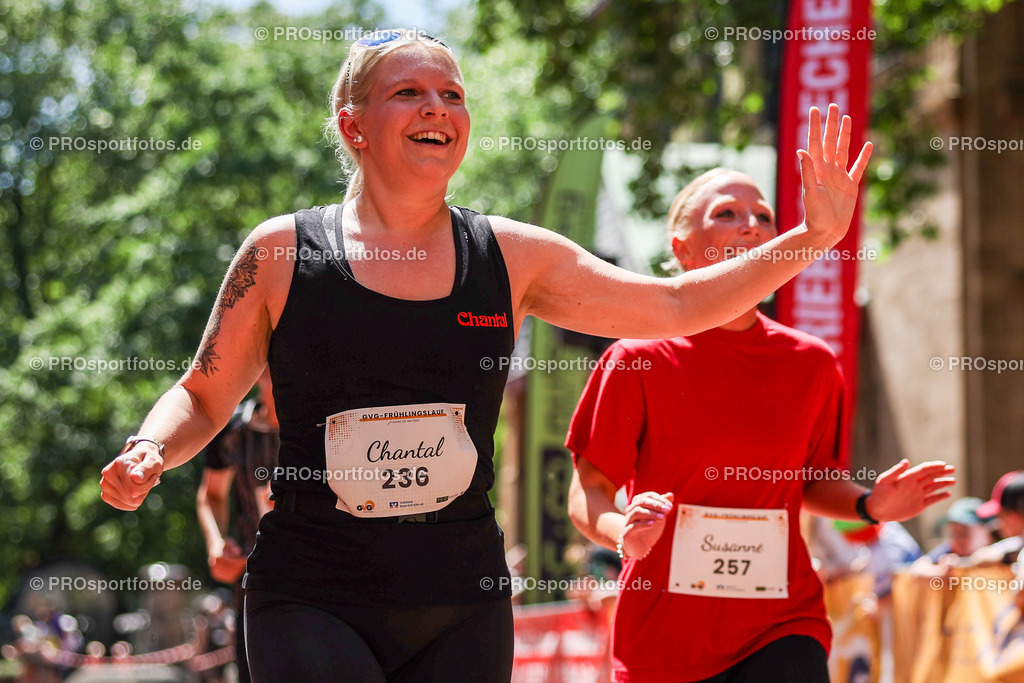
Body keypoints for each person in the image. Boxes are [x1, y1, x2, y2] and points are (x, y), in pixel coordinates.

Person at [100, 28, 873, 682]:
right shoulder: (280, 253)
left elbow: (672, 305)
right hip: (312, 592)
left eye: (453, 93)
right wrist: (149, 448)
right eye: (409, 92)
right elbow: (203, 395)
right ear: (353, 125)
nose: (438, 105)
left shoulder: (512, 257)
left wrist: (810, 239)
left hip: (460, 598)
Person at [565, 167, 955, 683]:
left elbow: (814, 481)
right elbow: (588, 493)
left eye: (763, 216)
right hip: (665, 638)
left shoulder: (811, 362)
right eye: (726, 213)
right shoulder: (637, 357)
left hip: (783, 622)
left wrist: (868, 504)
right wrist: (625, 534)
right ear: (682, 249)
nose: (751, 225)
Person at [195, 367, 278, 683]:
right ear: (258, 374)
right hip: (251, 585)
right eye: (272, 373)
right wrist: (216, 544)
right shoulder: (232, 432)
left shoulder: (326, 429)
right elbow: (211, 495)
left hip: (318, 580)